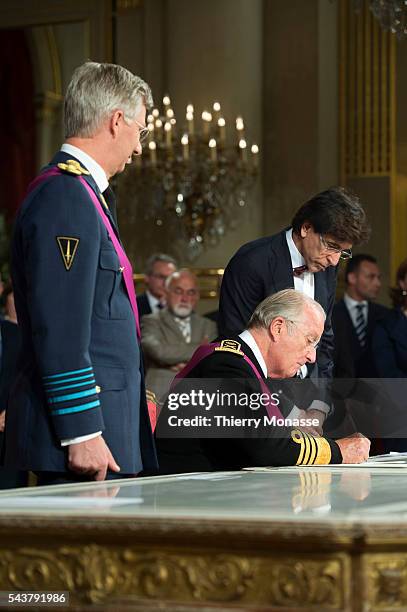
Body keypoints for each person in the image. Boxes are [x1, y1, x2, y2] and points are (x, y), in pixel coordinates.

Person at [2, 61, 157, 485]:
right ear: (116, 120)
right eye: (140, 131)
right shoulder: (65, 196)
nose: (139, 147)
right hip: (83, 439)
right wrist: (82, 430)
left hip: (105, 430)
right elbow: (62, 326)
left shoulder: (85, 195)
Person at [155, 290, 370, 474]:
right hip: (186, 499)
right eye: (309, 341)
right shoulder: (225, 366)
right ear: (278, 327)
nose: (312, 357)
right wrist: (337, 451)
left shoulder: (242, 364)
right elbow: (264, 445)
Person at [218, 187, 370, 427]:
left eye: (343, 252)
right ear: (306, 228)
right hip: (259, 397)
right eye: (331, 246)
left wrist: (319, 408)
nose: (334, 259)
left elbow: (326, 340)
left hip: (312, 395)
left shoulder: (327, 265)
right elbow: (237, 346)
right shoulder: (251, 263)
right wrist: (291, 414)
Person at [142, 270, 217, 404]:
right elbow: (159, 352)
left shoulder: (209, 325)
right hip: (159, 396)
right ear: (166, 293)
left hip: (198, 398)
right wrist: (200, 349)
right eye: (178, 291)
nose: (185, 298)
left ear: (197, 296)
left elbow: (212, 359)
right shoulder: (151, 321)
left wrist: (174, 357)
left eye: (191, 292)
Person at [332, 254, 389, 378]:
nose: (378, 283)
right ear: (352, 278)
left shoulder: (386, 315)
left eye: (379, 277)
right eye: (371, 277)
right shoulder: (331, 315)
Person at [137, 253, 177, 318]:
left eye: (170, 278)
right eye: (161, 277)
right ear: (147, 277)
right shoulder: (134, 305)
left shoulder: (179, 306)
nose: (166, 283)